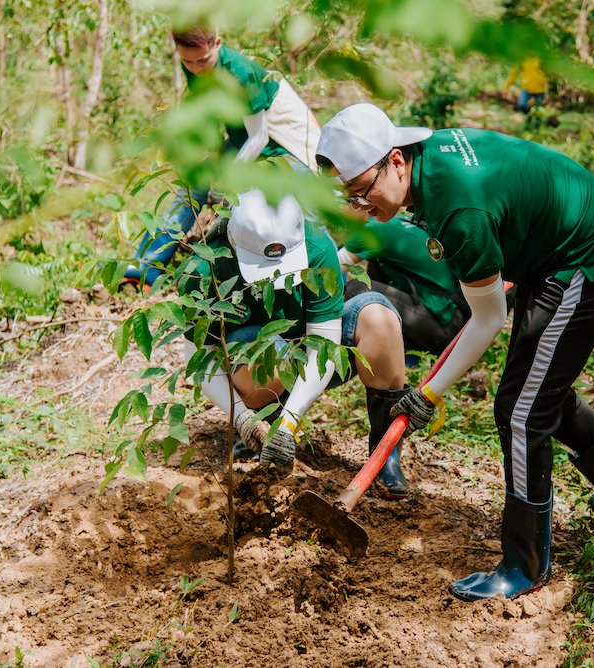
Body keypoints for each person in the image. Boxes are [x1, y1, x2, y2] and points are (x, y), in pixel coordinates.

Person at [314, 103, 594, 601]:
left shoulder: (459, 212)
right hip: (551, 254)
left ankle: (525, 565)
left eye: (362, 191)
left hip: (590, 261)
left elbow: (487, 318)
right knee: (537, 388)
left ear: (396, 161)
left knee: (522, 412)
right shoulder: (426, 165)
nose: (358, 207)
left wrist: (429, 394)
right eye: (347, 197)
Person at [178, 189, 413, 498]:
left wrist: (290, 424)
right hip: (257, 358)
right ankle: (263, 427)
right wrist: (242, 419)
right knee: (260, 359)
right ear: (234, 241)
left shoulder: (315, 246)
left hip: (309, 350)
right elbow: (200, 359)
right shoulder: (203, 265)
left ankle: (385, 452)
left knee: (379, 319)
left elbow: (324, 345)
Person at [126, 25, 322, 288]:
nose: (196, 68)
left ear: (217, 43)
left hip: (282, 144)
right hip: (244, 139)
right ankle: (147, 267)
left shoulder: (240, 73)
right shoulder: (194, 65)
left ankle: (324, 276)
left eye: (203, 60)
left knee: (298, 212)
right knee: (194, 184)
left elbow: (260, 137)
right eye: (188, 61)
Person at [338, 213, 471, 357]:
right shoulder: (395, 220)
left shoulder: (373, 229)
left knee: (357, 289)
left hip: (444, 331)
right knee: (370, 276)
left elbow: (327, 270)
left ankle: (343, 347)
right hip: (460, 324)